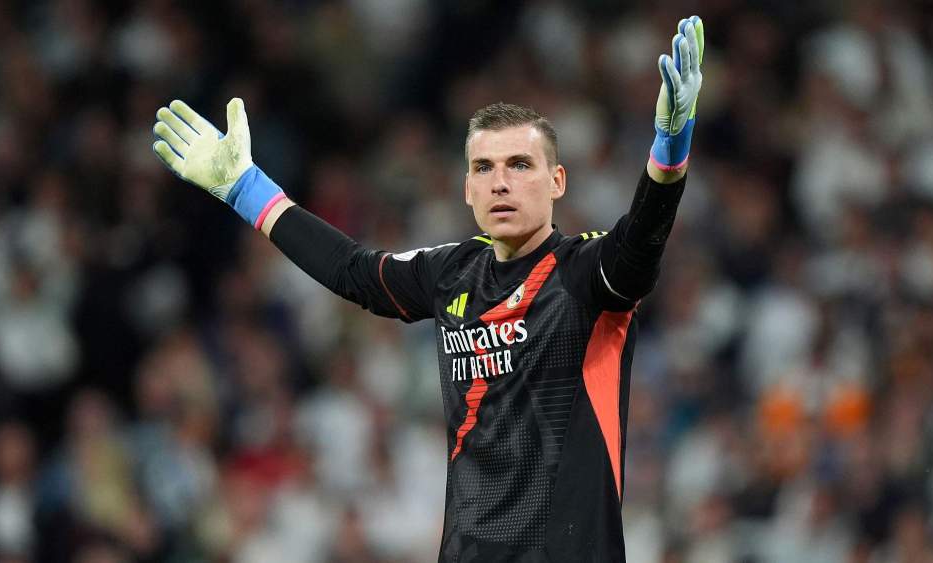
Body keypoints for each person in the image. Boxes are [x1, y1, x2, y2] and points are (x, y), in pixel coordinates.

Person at [152, 15, 704, 563]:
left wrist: (669, 155)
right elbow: (355, 273)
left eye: (520, 164)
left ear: (556, 181)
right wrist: (246, 189)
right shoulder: (450, 272)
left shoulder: (584, 272)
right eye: (483, 168)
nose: (501, 182)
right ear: (466, 188)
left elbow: (637, 250)